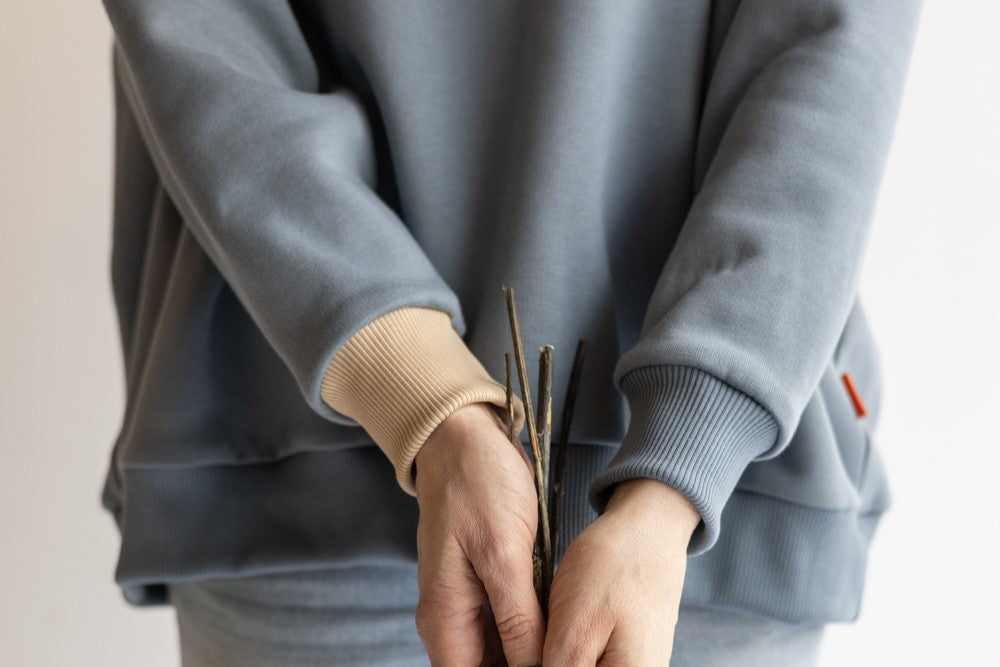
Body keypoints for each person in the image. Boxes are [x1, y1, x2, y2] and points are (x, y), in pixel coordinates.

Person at [98, 1, 922, 664]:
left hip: (700, 521)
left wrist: (681, 468)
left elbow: (833, 55)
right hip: (299, 491)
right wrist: (418, 393)